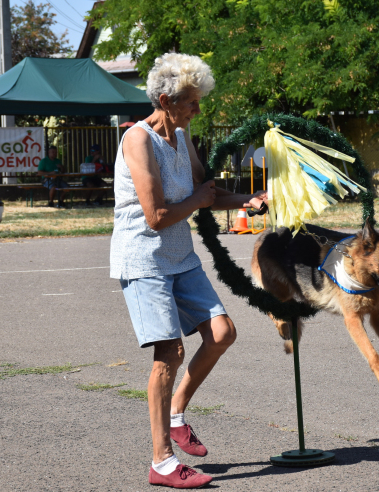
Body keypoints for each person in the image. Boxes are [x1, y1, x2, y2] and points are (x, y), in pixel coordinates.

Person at [110, 53, 267, 489]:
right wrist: (199, 201)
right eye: (192, 102)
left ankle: (177, 412)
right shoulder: (138, 141)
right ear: (165, 99)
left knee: (222, 333)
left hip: (180, 258)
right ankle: (161, 462)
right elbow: (157, 215)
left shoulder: (182, 132)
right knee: (170, 355)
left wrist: (247, 200)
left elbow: (206, 193)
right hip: (143, 259)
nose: (198, 109)